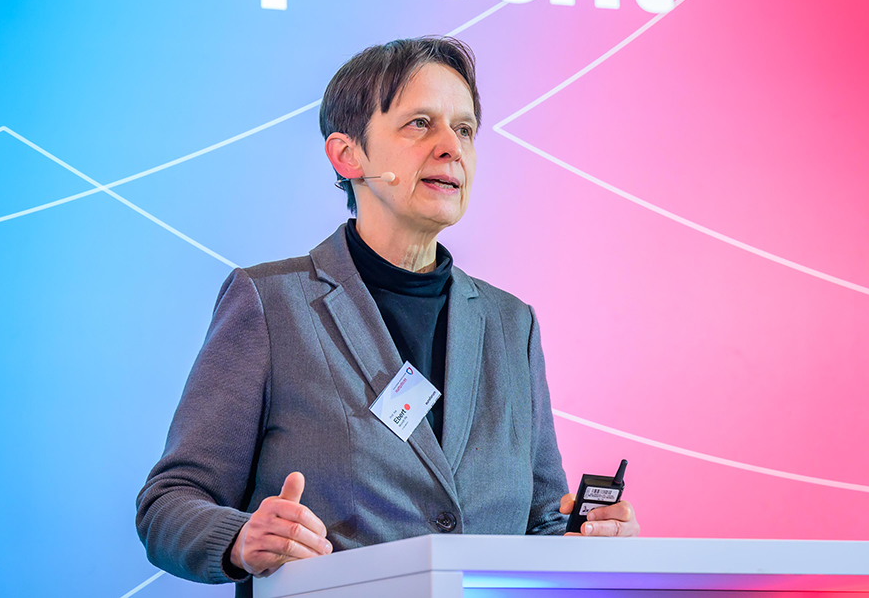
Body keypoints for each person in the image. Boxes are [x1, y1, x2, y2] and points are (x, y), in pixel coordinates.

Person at [135, 37, 639, 596]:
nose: (451, 147)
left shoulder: (511, 325)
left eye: (465, 129)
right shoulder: (270, 303)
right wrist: (240, 537)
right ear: (347, 156)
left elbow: (540, 522)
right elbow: (168, 504)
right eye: (420, 123)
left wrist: (589, 537)